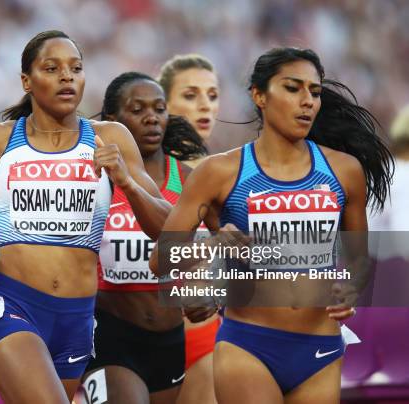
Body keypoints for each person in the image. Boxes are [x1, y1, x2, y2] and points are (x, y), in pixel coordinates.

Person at [0, 30, 171, 404]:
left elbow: (168, 227)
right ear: (26, 81)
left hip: (76, 321)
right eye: (52, 68)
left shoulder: (110, 139)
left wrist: (127, 183)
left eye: (76, 68)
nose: (67, 77)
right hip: (11, 308)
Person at [150, 47, 393, 403]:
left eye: (314, 91)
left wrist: (351, 289)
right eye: (293, 88)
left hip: (321, 349)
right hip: (249, 346)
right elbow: (161, 261)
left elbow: (358, 259)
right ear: (259, 95)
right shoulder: (219, 172)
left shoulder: (345, 170)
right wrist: (214, 246)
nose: (307, 101)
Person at [81, 72, 206, 404]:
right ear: (113, 120)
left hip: (170, 339)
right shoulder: (94, 178)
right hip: (109, 337)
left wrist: (211, 291)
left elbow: (220, 248)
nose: (152, 117)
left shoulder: (190, 180)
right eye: (137, 109)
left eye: (160, 108)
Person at [158, 53, 221, 404]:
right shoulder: (137, 174)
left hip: (204, 339)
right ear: (161, 102)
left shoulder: (227, 176)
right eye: (191, 94)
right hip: (131, 339)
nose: (204, 106)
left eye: (212, 96)